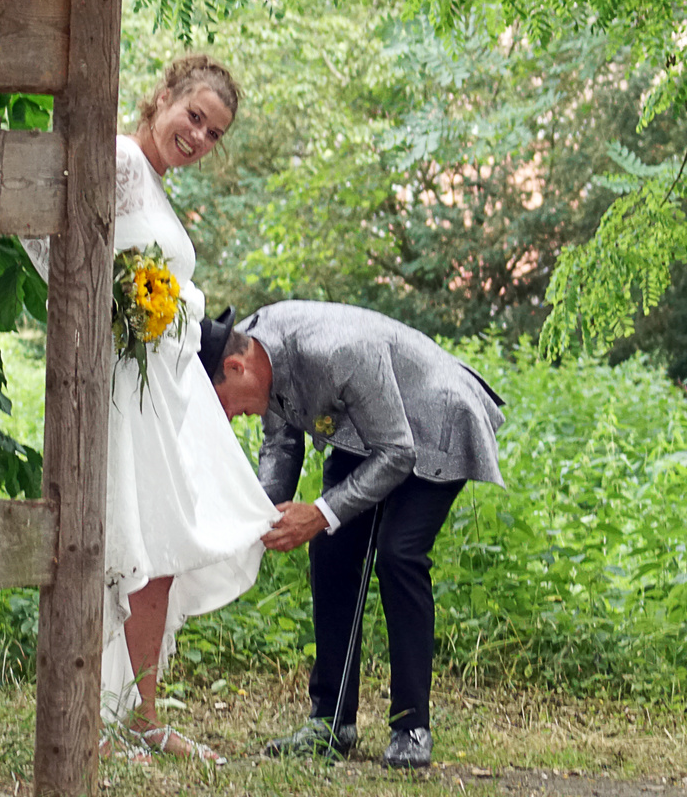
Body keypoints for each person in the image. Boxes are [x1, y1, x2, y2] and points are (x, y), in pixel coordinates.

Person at [23, 55, 278, 762]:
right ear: (161, 97)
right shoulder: (120, 159)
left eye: (214, 133)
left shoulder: (157, 187)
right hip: (121, 387)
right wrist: (104, 305)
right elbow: (44, 233)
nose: (198, 137)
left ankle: (143, 714)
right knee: (117, 545)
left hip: (162, 394)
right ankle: (89, 712)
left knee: (159, 550)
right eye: (193, 117)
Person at [204, 301, 505, 768]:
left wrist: (320, 512)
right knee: (331, 548)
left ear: (235, 367)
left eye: (224, 404)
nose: (229, 417)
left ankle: (411, 727)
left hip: (432, 421)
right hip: (362, 427)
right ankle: (332, 722)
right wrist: (262, 514)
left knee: (398, 553)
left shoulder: (335, 352)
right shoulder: (253, 349)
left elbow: (399, 453)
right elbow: (281, 441)